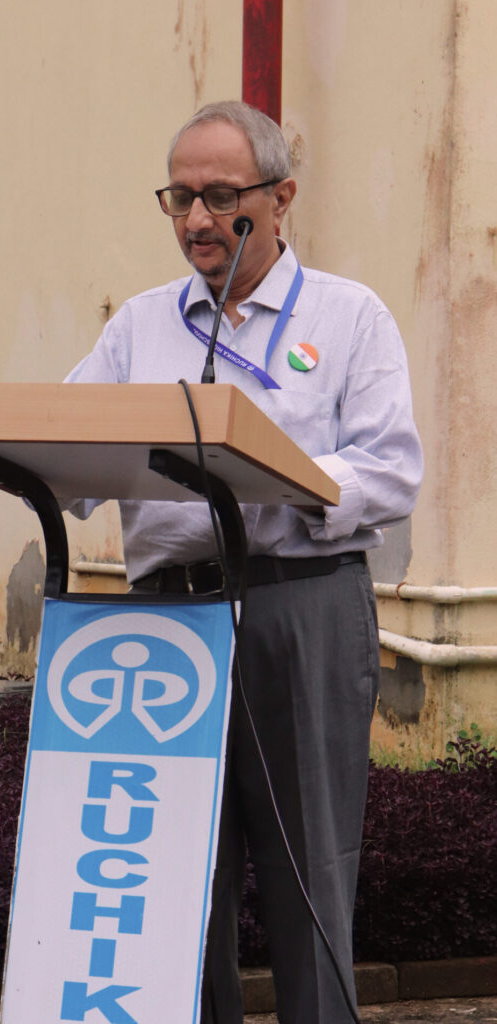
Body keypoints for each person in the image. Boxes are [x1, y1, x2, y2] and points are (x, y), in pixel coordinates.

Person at [65, 100, 423, 1024]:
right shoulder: (140, 327)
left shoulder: (349, 317)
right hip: (159, 624)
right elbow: (63, 450)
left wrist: (267, 475)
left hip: (296, 609)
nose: (194, 219)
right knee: (170, 876)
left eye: (219, 196)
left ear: (279, 198)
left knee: (308, 863)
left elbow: (388, 474)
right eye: (178, 196)